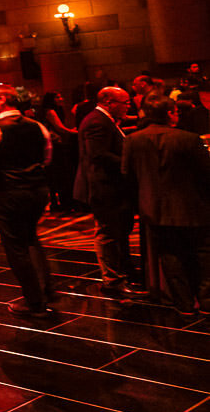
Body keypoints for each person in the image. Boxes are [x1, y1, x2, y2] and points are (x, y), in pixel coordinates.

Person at [0, 84, 56, 318]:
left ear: (3, 100)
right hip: (38, 190)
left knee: (15, 247)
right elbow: (47, 157)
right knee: (30, 238)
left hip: (10, 192)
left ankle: (34, 302)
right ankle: (46, 289)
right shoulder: (37, 125)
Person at [122, 94, 210, 316]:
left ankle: (184, 304)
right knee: (203, 255)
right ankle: (207, 302)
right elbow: (207, 174)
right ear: (170, 113)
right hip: (194, 207)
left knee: (170, 255)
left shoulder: (133, 139)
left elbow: (128, 176)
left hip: (153, 208)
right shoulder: (189, 139)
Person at [75, 85, 148, 299]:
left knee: (118, 232)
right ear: (109, 102)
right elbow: (99, 155)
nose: (128, 106)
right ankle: (112, 280)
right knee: (107, 233)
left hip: (111, 187)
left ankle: (122, 273)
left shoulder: (104, 120)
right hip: (103, 188)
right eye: (124, 102)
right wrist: (131, 163)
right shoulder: (97, 121)